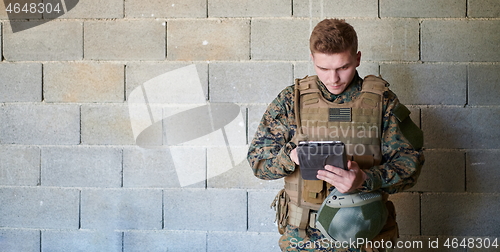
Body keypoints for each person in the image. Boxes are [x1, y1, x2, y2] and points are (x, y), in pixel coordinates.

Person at [247, 18, 424, 252]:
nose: (333, 79)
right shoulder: (291, 102)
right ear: (312, 59)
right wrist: (290, 156)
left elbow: (410, 166)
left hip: (366, 237)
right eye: (324, 68)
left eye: (343, 67)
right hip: (304, 240)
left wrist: (365, 179)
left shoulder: (383, 102)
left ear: (358, 58)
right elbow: (259, 163)